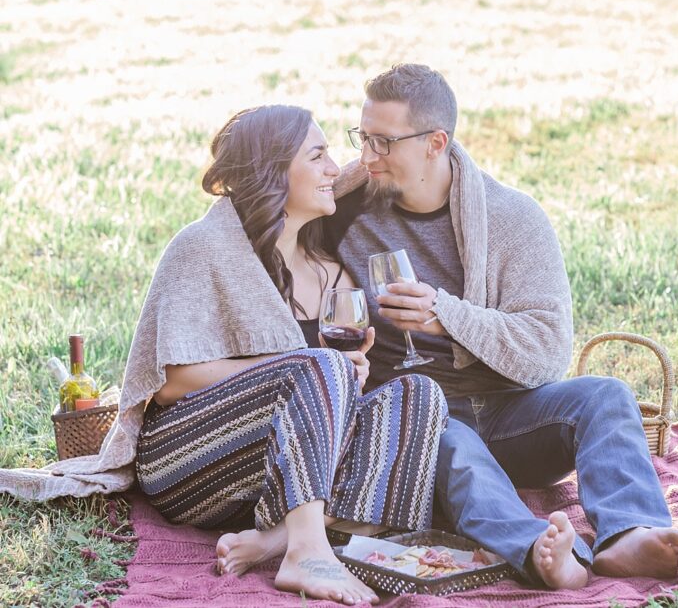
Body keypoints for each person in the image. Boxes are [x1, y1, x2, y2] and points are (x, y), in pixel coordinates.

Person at [0, 105, 449, 607]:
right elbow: (168, 381)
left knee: (419, 394)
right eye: (318, 156)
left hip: (287, 472)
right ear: (275, 170)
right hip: (191, 461)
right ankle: (304, 552)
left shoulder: (327, 269)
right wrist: (303, 369)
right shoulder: (203, 248)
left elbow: (330, 385)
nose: (331, 170)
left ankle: (277, 539)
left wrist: (347, 376)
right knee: (318, 363)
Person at [326, 65, 678, 590]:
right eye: (363, 138)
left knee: (606, 395)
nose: (366, 157)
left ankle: (627, 534)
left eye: (384, 142)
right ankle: (540, 552)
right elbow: (270, 221)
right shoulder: (342, 208)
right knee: (450, 442)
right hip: (416, 418)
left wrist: (447, 317)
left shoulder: (513, 219)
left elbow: (546, 352)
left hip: (511, 413)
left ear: (436, 142)